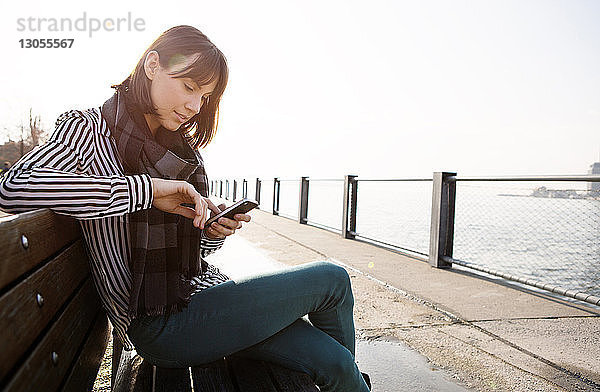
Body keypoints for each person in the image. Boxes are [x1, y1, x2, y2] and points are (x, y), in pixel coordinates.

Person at [0, 25, 371, 391]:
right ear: (152, 65)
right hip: (158, 324)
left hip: (204, 296)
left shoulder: (178, 152)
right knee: (332, 279)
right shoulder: (88, 129)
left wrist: (210, 231)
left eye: (205, 96)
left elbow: (195, 254)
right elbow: (13, 188)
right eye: (189, 86)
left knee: (335, 363)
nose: (195, 106)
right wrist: (145, 190)